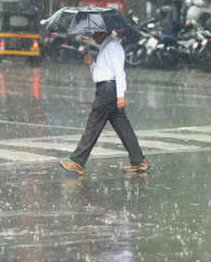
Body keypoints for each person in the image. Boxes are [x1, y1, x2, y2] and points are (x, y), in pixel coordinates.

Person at [59, 31, 149, 175]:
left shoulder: (113, 46)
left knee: (93, 125)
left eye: (95, 33)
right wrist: (92, 63)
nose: (93, 37)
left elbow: (119, 72)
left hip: (108, 91)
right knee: (123, 127)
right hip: (106, 88)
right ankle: (139, 161)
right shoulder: (104, 46)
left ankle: (77, 161)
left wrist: (121, 95)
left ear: (104, 32)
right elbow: (99, 74)